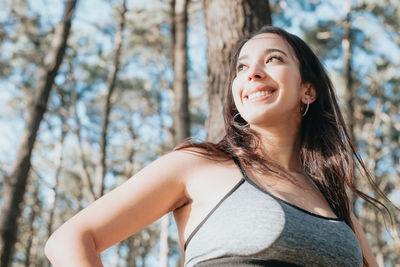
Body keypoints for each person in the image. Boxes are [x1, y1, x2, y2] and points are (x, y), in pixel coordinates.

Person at [44, 26, 388, 267]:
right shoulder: (197, 165)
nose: (251, 72)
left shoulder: (332, 197)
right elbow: (69, 240)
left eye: (273, 59)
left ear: (308, 91)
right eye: (242, 66)